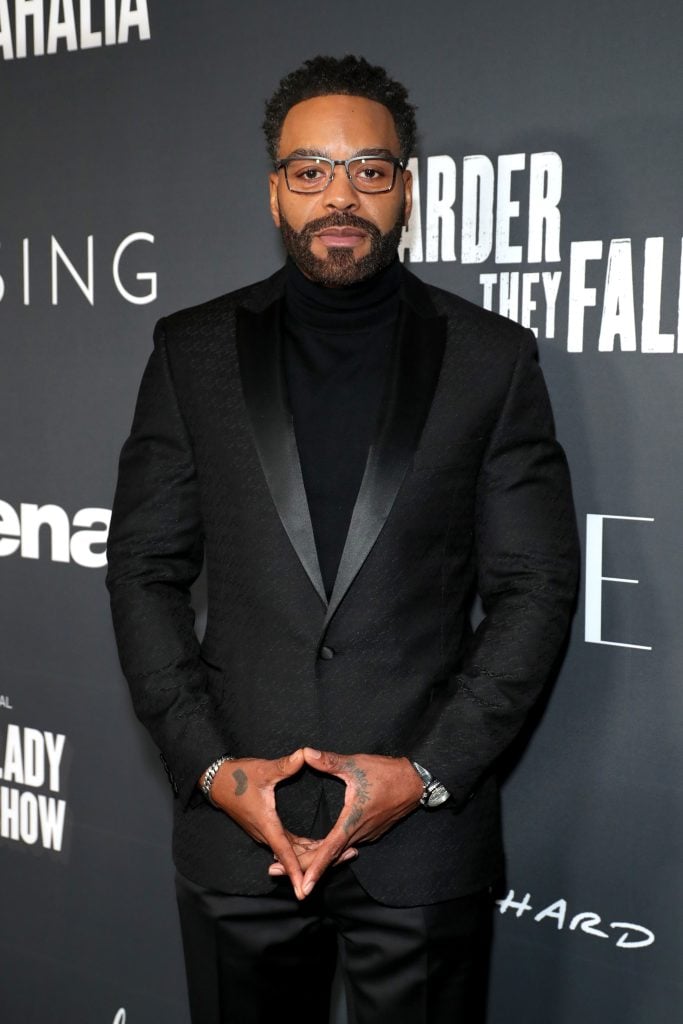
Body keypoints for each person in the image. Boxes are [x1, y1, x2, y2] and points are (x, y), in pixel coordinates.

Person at [106, 54, 579, 1024]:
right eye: (310, 169)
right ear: (274, 189)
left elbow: (533, 587)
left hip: (422, 848)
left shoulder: (488, 358)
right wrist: (212, 767)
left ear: (404, 188)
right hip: (237, 837)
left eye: (368, 169)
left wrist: (425, 773)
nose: (340, 194)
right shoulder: (190, 351)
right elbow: (143, 570)